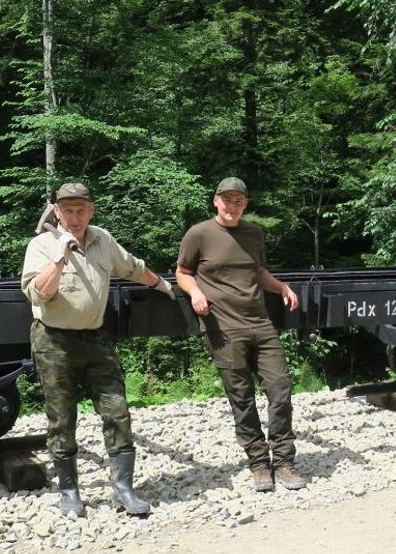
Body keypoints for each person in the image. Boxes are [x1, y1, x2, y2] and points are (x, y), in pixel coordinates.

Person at [21, 182, 175, 518]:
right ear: (57, 212)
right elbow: (37, 294)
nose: (75, 217)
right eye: (68, 210)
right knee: (61, 417)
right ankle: (70, 492)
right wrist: (61, 257)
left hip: (95, 338)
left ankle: (124, 490)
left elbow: (132, 267)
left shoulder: (102, 240)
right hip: (54, 341)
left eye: (81, 210)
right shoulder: (42, 245)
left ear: (91, 210)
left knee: (116, 411)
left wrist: (161, 284)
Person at [174, 177, 307, 492]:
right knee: (242, 398)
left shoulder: (253, 233)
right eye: (227, 200)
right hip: (223, 328)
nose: (232, 207)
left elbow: (257, 271)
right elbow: (182, 272)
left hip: (260, 322)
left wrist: (282, 287)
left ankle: (284, 462)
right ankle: (259, 464)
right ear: (216, 201)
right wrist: (194, 293)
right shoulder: (199, 234)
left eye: (239, 202)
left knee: (280, 389)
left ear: (245, 205)